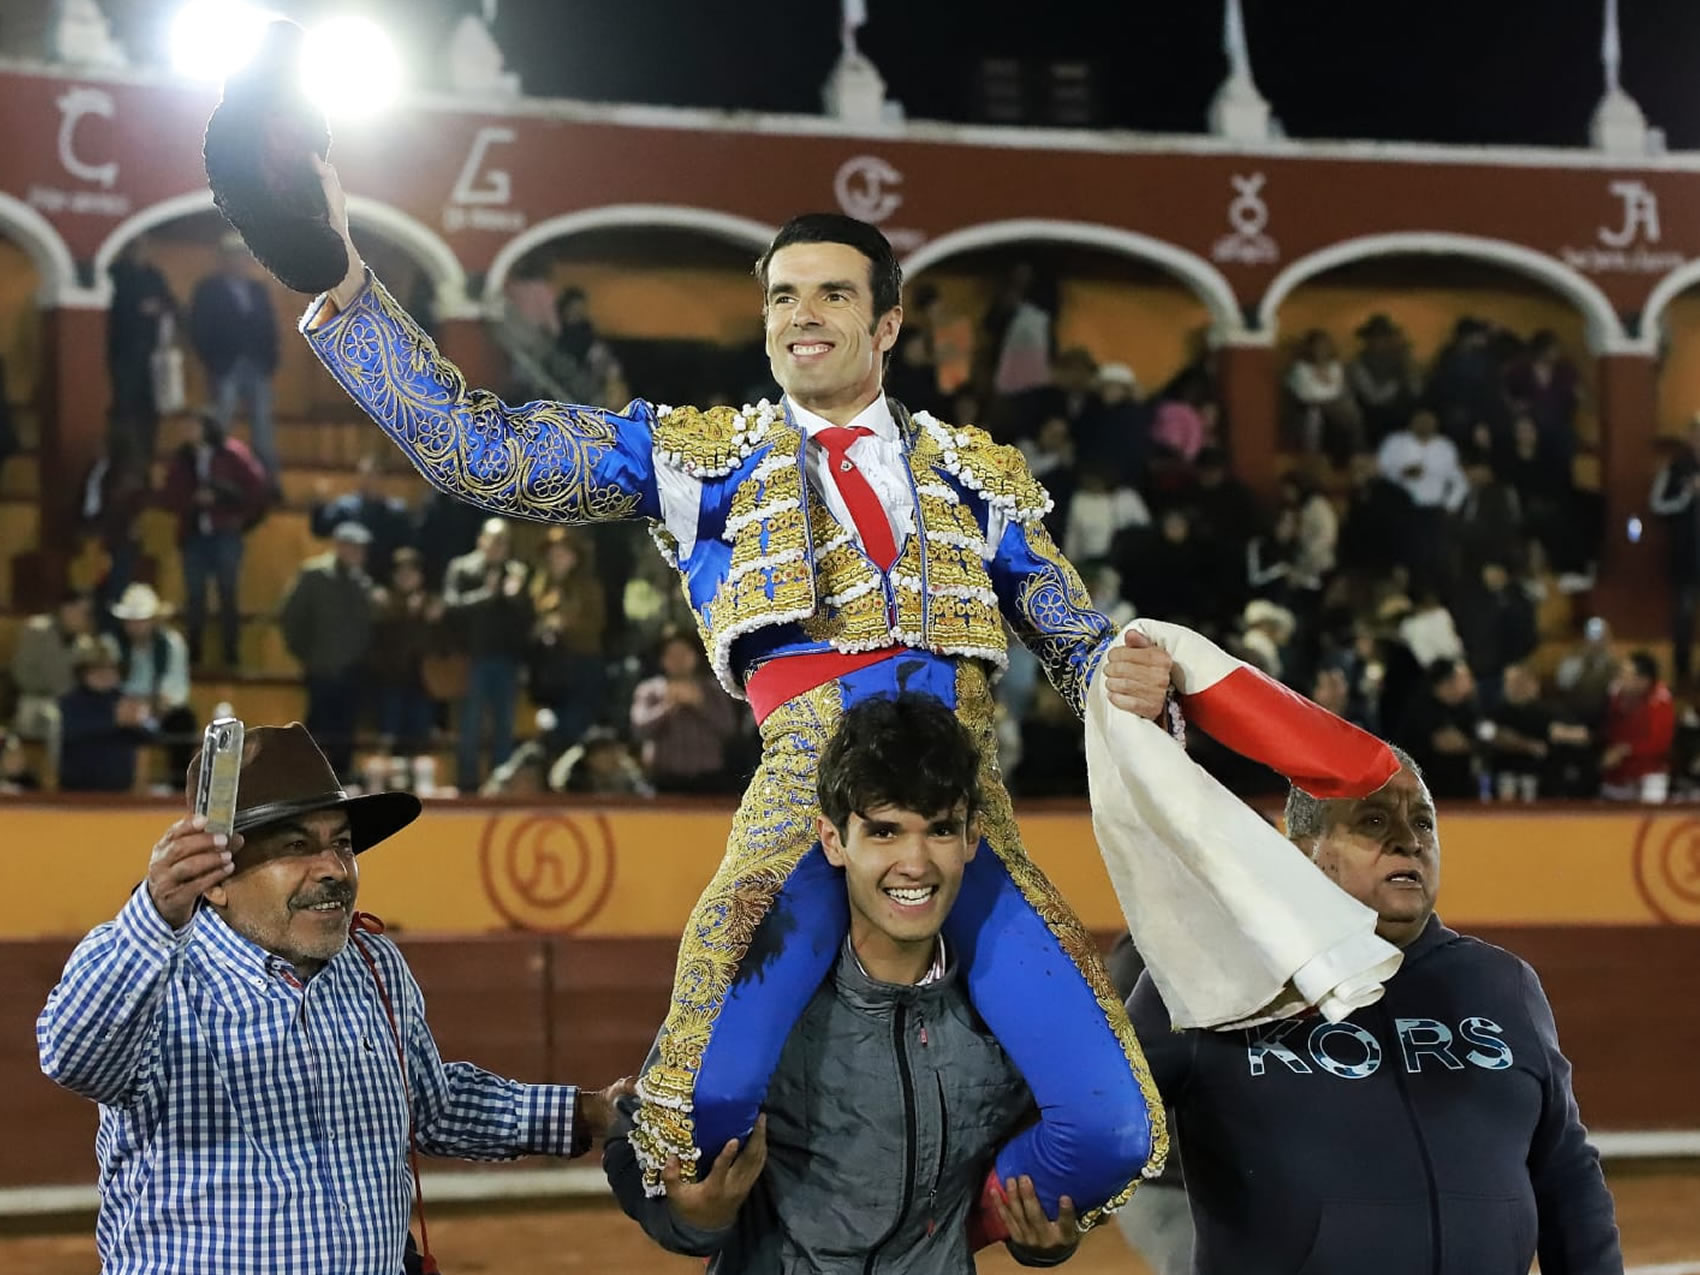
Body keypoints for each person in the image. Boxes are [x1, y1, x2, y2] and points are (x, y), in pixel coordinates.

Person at [299, 170, 1173, 1230]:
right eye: (781, 297)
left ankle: (939, 1227)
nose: (802, 315)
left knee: (1115, 1127)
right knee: (697, 1107)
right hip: (807, 797)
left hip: (959, 811)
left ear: (887, 321)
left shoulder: (975, 471)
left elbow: (1074, 641)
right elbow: (489, 455)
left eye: (832, 294)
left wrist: (1117, 672)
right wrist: (345, 288)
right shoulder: (701, 457)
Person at [37, 722, 631, 1275]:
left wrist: (589, 1113)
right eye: (296, 846)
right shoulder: (149, 964)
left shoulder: (372, 965)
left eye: (341, 845)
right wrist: (156, 914)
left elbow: (433, 1106)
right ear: (215, 879)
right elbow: (72, 1058)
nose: (333, 870)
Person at [605, 694, 1086, 1270]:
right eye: (884, 832)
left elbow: (1036, 1172)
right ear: (834, 840)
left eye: (938, 830)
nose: (914, 862)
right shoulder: (760, 999)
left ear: (972, 838)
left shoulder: (1009, 1015)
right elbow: (639, 1141)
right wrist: (691, 1219)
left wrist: (1049, 1242)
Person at [1126, 748, 1623, 1275]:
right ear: (1303, 851)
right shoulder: (1211, 980)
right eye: (1374, 820)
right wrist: (1052, 1214)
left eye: (1423, 822)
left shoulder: (1502, 985)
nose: (1408, 839)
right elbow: (1094, 1113)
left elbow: (1566, 1175)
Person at [161, 413, 271, 668]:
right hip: (194, 534)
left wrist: (235, 513)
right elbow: (170, 496)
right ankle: (194, 656)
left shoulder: (232, 453)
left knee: (228, 594)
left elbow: (256, 489)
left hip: (225, 533)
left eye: (192, 425)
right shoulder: (182, 459)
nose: (187, 431)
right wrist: (192, 500)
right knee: (194, 598)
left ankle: (231, 655)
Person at [279, 521, 378, 781]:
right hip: (321, 669)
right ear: (341, 546)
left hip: (353, 671)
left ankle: (340, 783)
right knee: (316, 731)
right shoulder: (314, 575)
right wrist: (306, 656)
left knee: (346, 732)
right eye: (355, 548)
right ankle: (304, 781)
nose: (360, 554)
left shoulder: (362, 582)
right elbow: (291, 618)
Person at [443, 517, 533, 791]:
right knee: (470, 724)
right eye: (493, 541)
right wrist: (487, 595)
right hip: (473, 659)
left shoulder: (517, 573)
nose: (498, 547)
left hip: (506, 659)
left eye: (503, 542)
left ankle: (500, 783)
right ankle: (467, 783)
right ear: (481, 540)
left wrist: (515, 597)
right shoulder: (462, 568)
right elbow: (451, 608)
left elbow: (528, 618)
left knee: (504, 726)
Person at [190, 233, 281, 482]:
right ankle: (212, 477)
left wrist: (269, 361)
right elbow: (199, 327)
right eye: (234, 256)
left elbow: (270, 328)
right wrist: (212, 360)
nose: (240, 261)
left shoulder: (257, 289)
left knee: (263, 428)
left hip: (256, 365)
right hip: (225, 366)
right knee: (219, 425)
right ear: (223, 260)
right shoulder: (208, 289)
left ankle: (268, 483)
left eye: (243, 256)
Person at [102, 584, 198, 779]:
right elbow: (107, 685)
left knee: (183, 720)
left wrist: (158, 704)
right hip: (123, 707)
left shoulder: (172, 644)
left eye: (141, 621)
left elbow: (178, 687)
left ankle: (178, 784)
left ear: (153, 620)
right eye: (130, 621)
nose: (135, 626)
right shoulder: (110, 644)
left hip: (159, 707)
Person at [630, 629, 741, 794]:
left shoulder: (713, 689)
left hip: (709, 780)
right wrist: (667, 707)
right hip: (664, 781)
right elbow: (639, 729)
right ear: (663, 660)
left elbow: (728, 728)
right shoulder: (649, 690)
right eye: (672, 655)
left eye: (684, 654)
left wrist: (699, 704)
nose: (679, 660)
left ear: (695, 657)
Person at [528, 526, 607, 754]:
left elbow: (597, 624)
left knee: (576, 724)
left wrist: (566, 624)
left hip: (581, 664)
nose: (557, 558)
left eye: (563, 553)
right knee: (550, 727)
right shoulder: (540, 586)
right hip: (549, 668)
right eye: (553, 553)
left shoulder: (588, 588)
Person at [9, 589, 93, 779]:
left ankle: (86, 781)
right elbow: (22, 674)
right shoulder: (36, 630)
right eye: (76, 611)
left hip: (68, 705)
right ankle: (56, 781)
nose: (80, 617)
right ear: (63, 609)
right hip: (33, 701)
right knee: (54, 721)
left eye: (84, 613)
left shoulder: (85, 646)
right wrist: (56, 693)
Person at [56, 636, 151, 793]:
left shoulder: (125, 700)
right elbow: (69, 731)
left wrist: (138, 723)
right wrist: (115, 721)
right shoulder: (71, 701)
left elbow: (151, 735)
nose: (105, 674)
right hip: (77, 791)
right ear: (83, 672)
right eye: (97, 668)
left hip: (121, 792)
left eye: (110, 668)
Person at [309, 454, 413, 585]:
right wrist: (319, 504)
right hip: (347, 579)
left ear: (383, 479)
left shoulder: (396, 512)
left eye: (374, 476)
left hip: (385, 580)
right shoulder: (345, 507)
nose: (370, 480)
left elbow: (407, 548)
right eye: (365, 475)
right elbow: (320, 531)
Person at [1600, 650, 1674, 802]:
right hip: (1619, 772)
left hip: (1650, 772)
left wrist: (1626, 750)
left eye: (1626, 675)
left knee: (1653, 798)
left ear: (1643, 681)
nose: (1620, 679)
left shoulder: (1660, 700)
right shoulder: (1614, 695)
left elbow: (1659, 744)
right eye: (1620, 673)